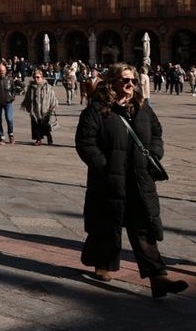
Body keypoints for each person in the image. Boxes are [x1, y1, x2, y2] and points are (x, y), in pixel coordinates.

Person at [75, 63, 188, 298]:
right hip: (109, 179)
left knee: (143, 226)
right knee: (106, 223)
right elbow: (85, 142)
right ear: (112, 82)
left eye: (133, 81)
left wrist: (154, 154)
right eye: (125, 80)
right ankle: (102, 264)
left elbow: (156, 133)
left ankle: (158, 277)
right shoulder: (97, 109)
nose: (130, 85)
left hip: (139, 177)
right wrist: (104, 167)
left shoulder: (143, 107)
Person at [22, 68, 58, 145]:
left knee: (45, 125)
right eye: (35, 77)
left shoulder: (47, 87)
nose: (36, 79)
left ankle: (49, 137)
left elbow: (53, 98)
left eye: (38, 77)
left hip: (45, 110)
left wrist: (52, 107)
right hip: (34, 110)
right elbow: (27, 98)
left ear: (42, 77)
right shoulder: (31, 87)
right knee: (36, 125)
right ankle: (38, 139)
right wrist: (28, 107)